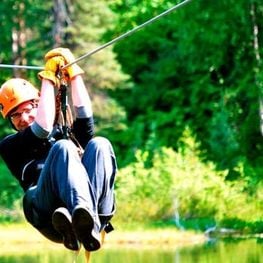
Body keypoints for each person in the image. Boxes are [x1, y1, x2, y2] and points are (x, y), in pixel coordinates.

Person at [0, 48, 117, 252]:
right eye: (15, 115)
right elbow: (42, 128)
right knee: (63, 148)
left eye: (28, 109)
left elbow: (84, 114)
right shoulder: (10, 146)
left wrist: (73, 73)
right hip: (47, 214)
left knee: (100, 144)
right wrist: (48, 78)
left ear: (39, 104)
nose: (23, 118)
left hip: (91, 215)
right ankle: (78, 218)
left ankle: (88, 225)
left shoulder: (64, 130)